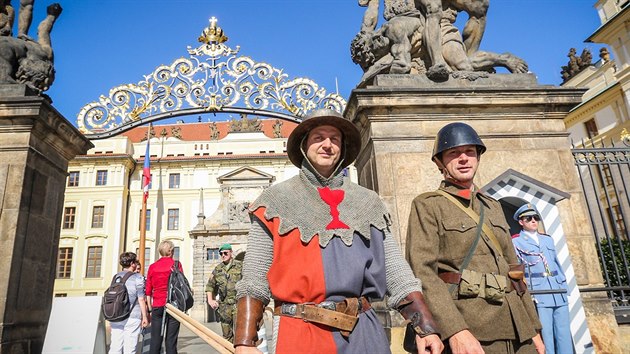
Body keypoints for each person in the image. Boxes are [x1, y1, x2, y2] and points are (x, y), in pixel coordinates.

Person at [234, 109, 443, 354]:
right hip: (300, 333)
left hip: (363, 332)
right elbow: (253, 279)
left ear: (342, 148)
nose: (327, 145)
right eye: (318, 137)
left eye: (335, 139)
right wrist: (244, 341)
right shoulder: (274, 202)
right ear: (304, 145)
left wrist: (425, 327)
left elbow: (396, 271)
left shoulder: (368, 202)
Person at [405, 122, 545, 353]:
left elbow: (516, 274)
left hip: (519, 329)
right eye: (454, 153)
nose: (464, 158)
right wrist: (455, 330)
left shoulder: (492, 206)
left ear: (478, 157)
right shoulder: (428, 205)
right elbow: (423, 273)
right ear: (440, 162)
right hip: (472, 331)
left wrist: (534, 328)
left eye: (470, 152)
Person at [512, 203, 573, 354]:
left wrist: (564, 285)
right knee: (545, 334)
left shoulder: (548, 240)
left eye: (535, 217)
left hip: (556, 289)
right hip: (539, 292)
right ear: (521, 222)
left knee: (564, 332)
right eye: (528, 218)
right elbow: (518, 270)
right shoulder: (516, 242)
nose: (533, 220)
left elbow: (557, 264)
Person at [146, 240, 183, 354]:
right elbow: (181, 285)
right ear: (171, 251)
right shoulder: (176, 265)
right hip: (173, 305)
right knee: (171, 341)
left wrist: (150, 309)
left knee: (155, 340)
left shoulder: (152, 267)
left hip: (157, 305)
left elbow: (148, 290)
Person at [108, 252, 149, 354]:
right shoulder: (138, 278)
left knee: (115, 347)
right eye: (135, 261)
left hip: (116, 315)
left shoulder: (116, 277)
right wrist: (144, 316)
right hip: (133, 316)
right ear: (132, 264)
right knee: (130, 349)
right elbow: (141, 299)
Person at [206, 243, 243, 342]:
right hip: (224, 307)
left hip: (238, 305)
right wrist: (210, 300)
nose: (223, 255)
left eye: (225, 253)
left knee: (240, 335)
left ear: (231, 253)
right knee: (227, 337)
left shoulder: (240, 266)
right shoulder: (218, 269)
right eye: (221, 253)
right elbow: (210, 286)